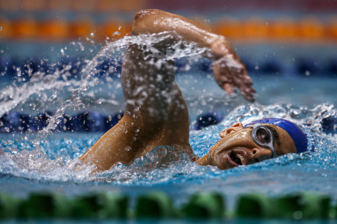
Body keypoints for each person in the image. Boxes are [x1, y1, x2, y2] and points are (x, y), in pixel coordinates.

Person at [80, 9, 307, 172]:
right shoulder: (164, 139)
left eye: (275, 160)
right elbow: (144, 28)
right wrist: (213, 44)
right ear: (230, 130)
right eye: (263, 136)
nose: (263, 154)